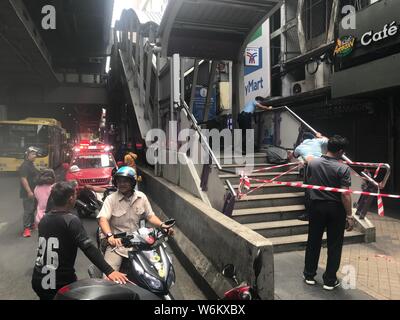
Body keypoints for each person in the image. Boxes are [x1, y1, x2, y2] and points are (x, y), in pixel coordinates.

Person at [31, 181, 128, 300]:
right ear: (71, 198)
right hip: (59, 282)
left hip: (39, 279)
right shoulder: (70, 220)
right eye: (75, 194)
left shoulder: (44, 220)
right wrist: (110, 271)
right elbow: (88, 247)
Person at [97, 166, 174, 272]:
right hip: (117, 244)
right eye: (119, 181)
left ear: (133, 182)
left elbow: (150, 216)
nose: (121, 184)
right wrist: (110, 236)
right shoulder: (111, 199)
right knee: (109, 278)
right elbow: (103, 219)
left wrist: (162, 225)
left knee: (155, 271)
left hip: (139, 242)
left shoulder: (141, 197)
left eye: (125, 181)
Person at [303, 135, 355, 291]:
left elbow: (309, 183)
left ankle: (309, 275)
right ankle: (329, 280)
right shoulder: (343, 168)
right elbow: (345, 194)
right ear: (340, 151)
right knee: (334, 244)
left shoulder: (313, 162)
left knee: (313, 241)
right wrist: (350, 215)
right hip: (335, 209)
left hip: (316, 207)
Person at [290, 132, 328, 221]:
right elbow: (329, 141)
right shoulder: (317, 141)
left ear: (302, 139)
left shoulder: (300, 147)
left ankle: (308, 214)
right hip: (322, 166)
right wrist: (320, 136)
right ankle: (321, 213)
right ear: (313, 138)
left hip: (310, 167)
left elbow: (294, 155)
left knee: (308, 190)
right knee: (321, 189)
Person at [19, 146, 41, 238]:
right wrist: (29, 191)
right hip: (28, 192)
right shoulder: (24, 165)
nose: (35, 156)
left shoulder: (31, 164)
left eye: (35, 154)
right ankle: (26, 229)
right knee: (28, 210)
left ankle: (32, 225)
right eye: (32, 154)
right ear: (27, 155)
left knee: (33, 209)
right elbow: (23, 179)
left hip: (34, 191)